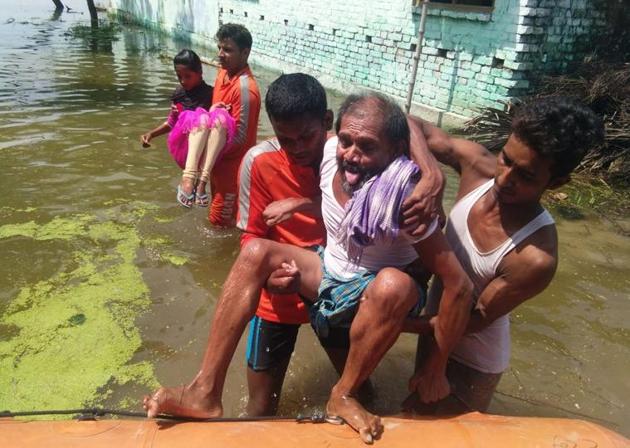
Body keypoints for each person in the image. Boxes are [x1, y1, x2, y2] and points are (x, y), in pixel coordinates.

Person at [143, 92, 473, 445]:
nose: (352, 153)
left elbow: (459, 285)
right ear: (335, 132)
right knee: (255, 251)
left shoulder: (405, 201)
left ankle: (343, 393)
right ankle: (204, 390)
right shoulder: (330, 153)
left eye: (367, 146)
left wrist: (435, 368)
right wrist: (301, 204)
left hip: (373, 294)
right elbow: (389, 128)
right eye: (346, 140)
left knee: (395, 285)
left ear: (395, 150)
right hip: (328, 271)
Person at [402, 96, 605, 414]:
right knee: (411, 414)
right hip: (432, 333)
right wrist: (432, 175)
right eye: (506, 159)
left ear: (556, 182)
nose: (504, 178)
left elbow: (472, 322)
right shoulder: (477, 167)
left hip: (471, 360)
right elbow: (406, 122)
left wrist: (395, 323)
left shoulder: (535, 256)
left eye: (525, 176)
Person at [140, 49, 236, 208]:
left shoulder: (211, 94)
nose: (183, 81)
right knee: (198, 117)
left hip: (206, 149)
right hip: (185, 147)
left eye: (187, 76)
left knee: (209, 117)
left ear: (200, 73)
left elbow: (218, 125)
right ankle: (189, 179)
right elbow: (171, 122)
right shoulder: (179, 95)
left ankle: (200, 184)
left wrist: (218, 109)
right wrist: (151, 134)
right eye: (179, 77)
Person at [207, 23, 261, 226]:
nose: (220, 54)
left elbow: (240, 139)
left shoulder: (246, 90)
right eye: (219, 48)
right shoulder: (223, 73)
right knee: (220, 221)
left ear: (245, 53)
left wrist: (207, 150)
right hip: (216, 166)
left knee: (219, 226)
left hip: (232, 173)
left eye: (227, 50)